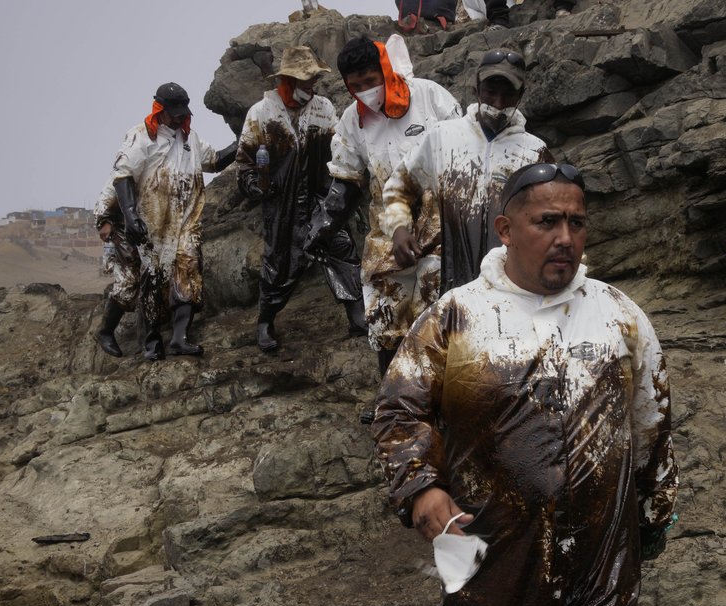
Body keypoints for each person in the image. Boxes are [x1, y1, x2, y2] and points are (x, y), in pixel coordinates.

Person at [372, 162, 679, 606]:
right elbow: (397, 411)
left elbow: (652, 426)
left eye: (577, 223)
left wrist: (655, 515)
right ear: (505, 229)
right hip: (486, 558)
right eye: (548, 222)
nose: (566, 237)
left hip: (598, 567)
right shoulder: (456, 316)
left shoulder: (621, 317)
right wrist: (421, 490)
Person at [302, 35, 462, 384]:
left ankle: (442, 391)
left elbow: (465, 151)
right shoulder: (351, 121)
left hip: (442, 217)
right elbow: (345, 179)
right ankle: (394, 393)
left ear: (385, 71)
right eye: (356, 85)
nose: (365, 91)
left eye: (370, 81)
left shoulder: (428, 95)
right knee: (384, 308)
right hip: (388, 224)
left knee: (439, 304)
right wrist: (322, 226)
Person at [381, 47, 551, 293]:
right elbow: (398, 187)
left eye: (508, 95)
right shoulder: (442, 136)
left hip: (512, 282)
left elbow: (552, 219)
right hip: (448, 278)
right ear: (476, 89)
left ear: (521, 95)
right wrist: (398, 228)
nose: (498, 103)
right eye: (490, 92)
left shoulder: (535, 152)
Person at [236, 46, 366, 353]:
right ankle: (266, 321)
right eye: (306, 81)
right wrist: (256, 187)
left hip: (321, 196)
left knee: (341, 248)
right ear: (287, 81)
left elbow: (340, 150)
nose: (312, 86)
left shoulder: (323, 107)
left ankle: (356, 315)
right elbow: (245, 162)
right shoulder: (261, 113)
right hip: (282, 203)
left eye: (313, 80)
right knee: (280, 264)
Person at [100, 82, 236, 360]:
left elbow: (215, 161)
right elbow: (123, 176)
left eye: (182, 112)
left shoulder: (190, 140)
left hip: (186, 222)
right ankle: (151, 342)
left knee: (189, 273)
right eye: (173, 112)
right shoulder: (141, 137)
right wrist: (130, 215)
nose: (177, 117)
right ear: (159, 109)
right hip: (153, 225)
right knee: (152, 280)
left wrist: (241, 141)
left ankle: (180, 337)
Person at [92, 174, 137, 357]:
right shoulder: (130, 157)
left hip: (150, 229)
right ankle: (105, 331)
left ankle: (150, 339)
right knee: (129, 281)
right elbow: (111, 189)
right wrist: (105, 220)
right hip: (122, 231)